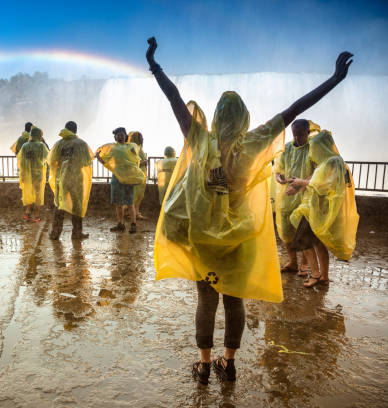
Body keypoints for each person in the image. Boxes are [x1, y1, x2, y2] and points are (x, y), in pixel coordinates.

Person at [146, 36, 353, 384]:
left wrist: (154, 63)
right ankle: (229, 362)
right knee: (234, 301)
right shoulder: (254, 142)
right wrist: (334, 79)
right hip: (238, 238)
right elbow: (295, 108)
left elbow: (175, 98)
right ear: (244, 119)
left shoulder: (200, 139)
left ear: (215, 117)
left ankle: (204, 364)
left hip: (203, 238)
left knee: (205, 300)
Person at [289, 128, 359, 287]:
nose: (312, 152)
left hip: (317, 210)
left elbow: (322, 185)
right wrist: (300, 183)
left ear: (321, 147)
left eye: (314, 148)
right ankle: (324, 277)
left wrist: (301, 182)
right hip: (319, 210)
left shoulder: (331, 162)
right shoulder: (336, 161)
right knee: (317, 243)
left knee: (303, 242)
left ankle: (315, 275)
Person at [274, 120, 319, 276]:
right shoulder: (287, 148)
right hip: (287, 195)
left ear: (308, 132)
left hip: (305, 195)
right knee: (286, 229)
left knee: (303, 230)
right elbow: (278, 169)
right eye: (295, 134)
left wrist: (300, 185)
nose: (297, 138)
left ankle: (304, 265)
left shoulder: (313, 148)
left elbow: (318, 171)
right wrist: (280, 178)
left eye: (301, 134)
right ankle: (293, 262)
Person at [48, 121, 94, 240]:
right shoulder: (81, 144)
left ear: (65, 129)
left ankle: (55, 233)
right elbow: (87, 161)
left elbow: (52, 161)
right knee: (77, 206)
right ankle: (77, 233)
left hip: (61, 179)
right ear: (76, 130)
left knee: (59, 205)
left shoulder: (59, 144)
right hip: (76, 178)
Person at [96, 127, 145, 234]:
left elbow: (136, 158)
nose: (120, 136)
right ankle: (120, 224)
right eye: (118, 135)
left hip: (128, 178)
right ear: (115, 137)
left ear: (125, 136)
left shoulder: (131, 146)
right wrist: (99, 158)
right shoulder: (113, 149)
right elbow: (107, 161)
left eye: (122, 134)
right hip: (117, 178)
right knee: (118, 203)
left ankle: (133, 224)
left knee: (130, 202)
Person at [17, 126, 50, 221]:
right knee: (38, 194)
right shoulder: (41, 146)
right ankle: (36, 215)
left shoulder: (25, 146)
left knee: (28, 192)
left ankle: (27, 213)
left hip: (27, 174)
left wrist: (22, 174)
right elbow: (48, 158)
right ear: (39, 135)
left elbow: (21, 161)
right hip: (38, 174)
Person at [128, 131, 148, 220]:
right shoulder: (132, 148)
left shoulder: (139, 148)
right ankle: (132, 213)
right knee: (135, 194)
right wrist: (142, 162)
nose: (142, 139)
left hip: (142, 175)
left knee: (139, 195)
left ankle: (136, 213)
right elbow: (131, 163)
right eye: (140, 138)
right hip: (135, 175)